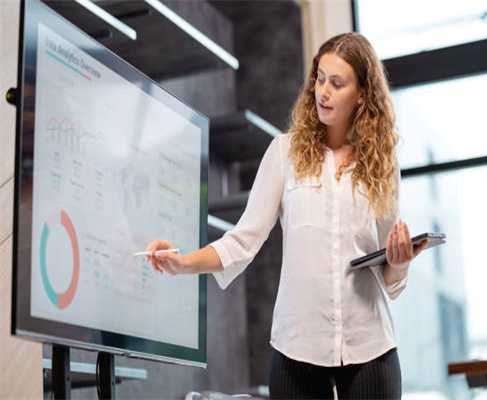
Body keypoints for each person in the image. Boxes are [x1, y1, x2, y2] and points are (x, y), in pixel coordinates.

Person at [146, 32, 428, 400]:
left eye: (337, 83)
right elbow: (243, 241)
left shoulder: (382, 165)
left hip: (370, 345)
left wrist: (400, 263)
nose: (323, 92)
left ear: (362, 94)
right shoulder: (285, 153)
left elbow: (388, 273)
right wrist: (182, 262)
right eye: (320, 79)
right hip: (297, 347)